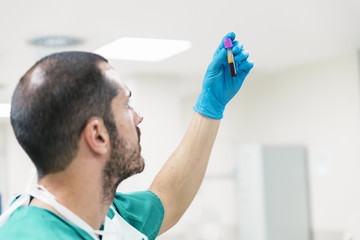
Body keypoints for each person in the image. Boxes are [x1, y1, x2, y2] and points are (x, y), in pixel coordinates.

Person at [0, 32, 253, 239]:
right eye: (126, 104)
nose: (138, 117)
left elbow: (168, 198)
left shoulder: (102, 216)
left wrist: (210, 107)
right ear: (97, 135)